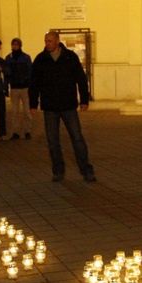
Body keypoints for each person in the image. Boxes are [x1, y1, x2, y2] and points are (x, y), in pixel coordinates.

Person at [29, 30, 95, 182]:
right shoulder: (40, 59)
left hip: (68, 105)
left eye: (50, 41)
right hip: (50, 107)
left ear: (58, 41)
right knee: (53, 141)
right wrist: (33, 103)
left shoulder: (69, 57)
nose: (47, 44)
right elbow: (34, 83)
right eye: (46, 41)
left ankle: (86, 170)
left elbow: (81, 79)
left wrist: (84, 100)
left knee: (77, 138)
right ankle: (58, 171)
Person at [4, 38, 33, 140]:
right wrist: (6, 86)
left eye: (16, 44)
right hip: (14, 87)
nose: (14, 46)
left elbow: (30, 72)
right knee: (15, 111)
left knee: (27, 111)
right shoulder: (8, 58)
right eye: (13, 44)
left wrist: (30, 85)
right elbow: (6, 74)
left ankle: (27, 130)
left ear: (20, 45)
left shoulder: (25, 57)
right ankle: (15, 132)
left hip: (25, 87)